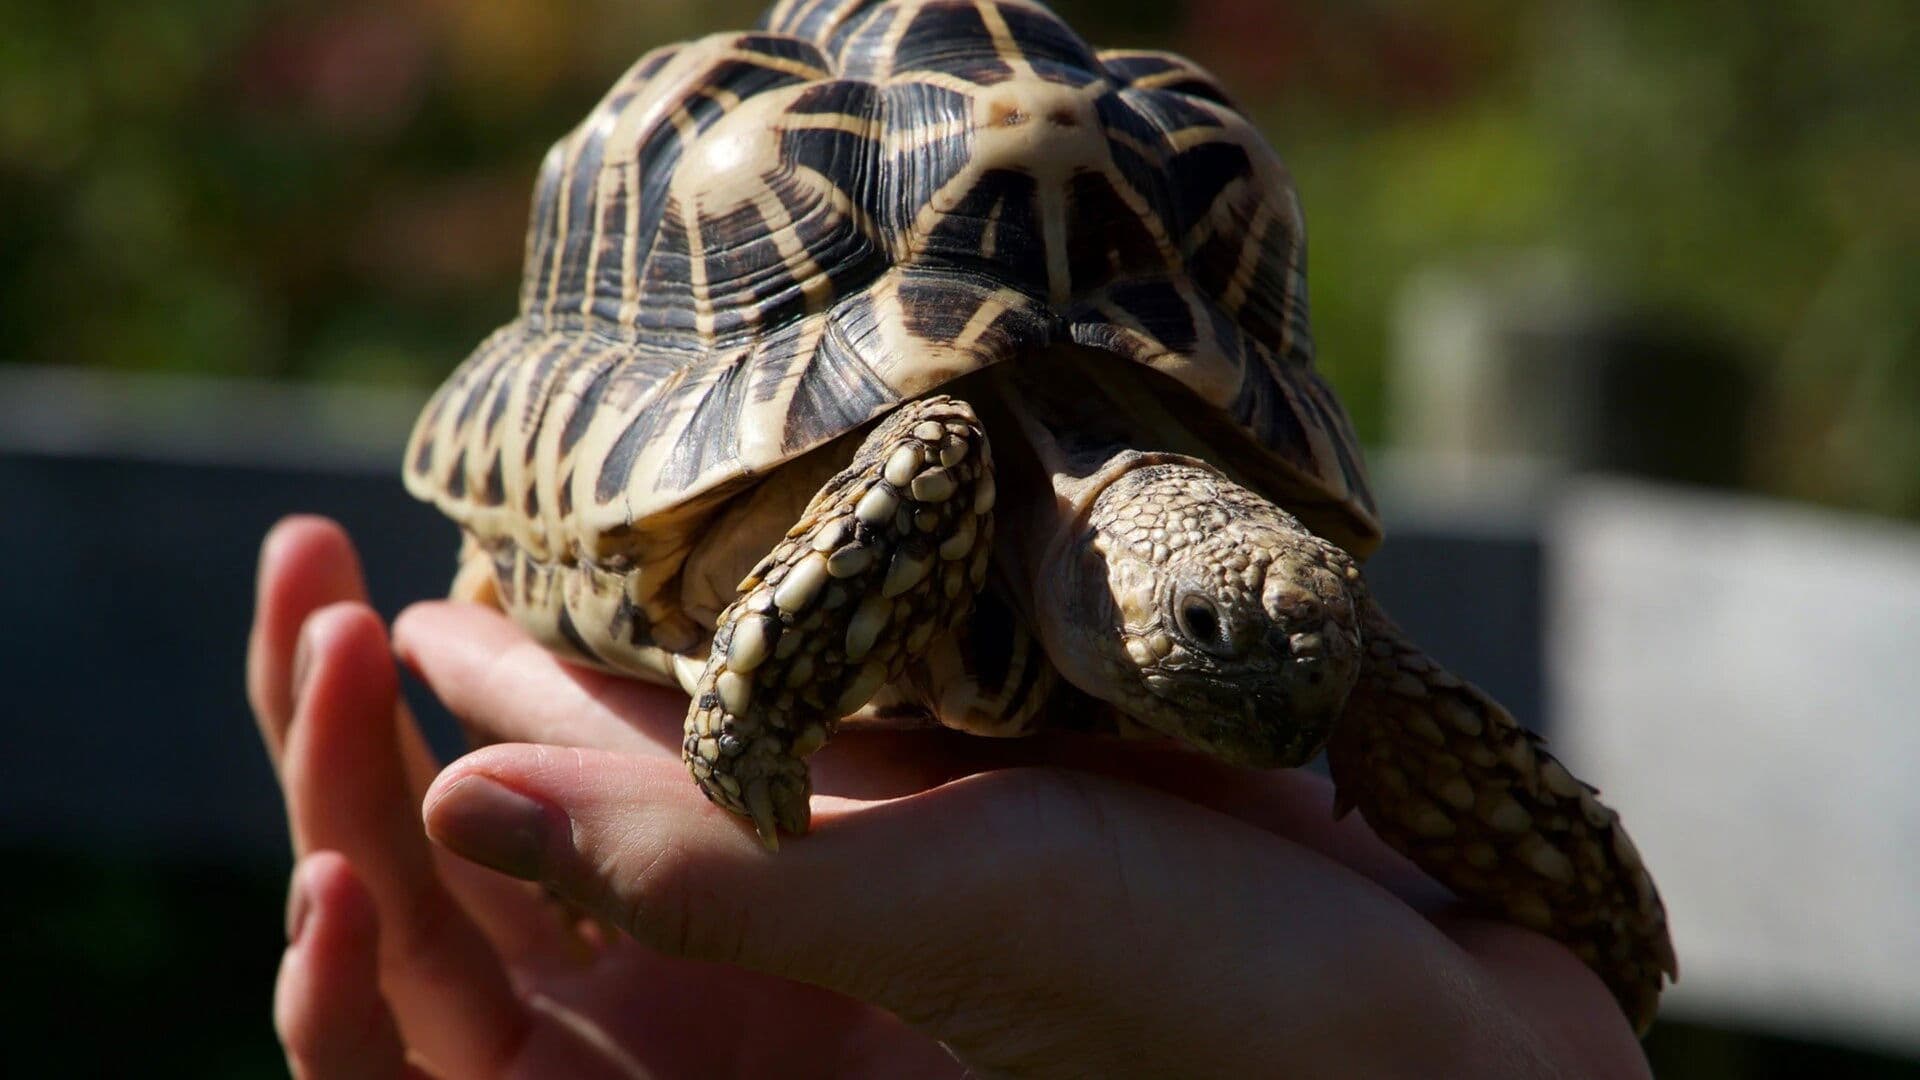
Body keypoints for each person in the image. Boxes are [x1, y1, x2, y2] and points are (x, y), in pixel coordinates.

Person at [248, 515, 1650, 1079]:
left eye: (1323, 637)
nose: (1292, 694)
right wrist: (767, 693)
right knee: (933, 467)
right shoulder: (944, 479)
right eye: (1221, 635)